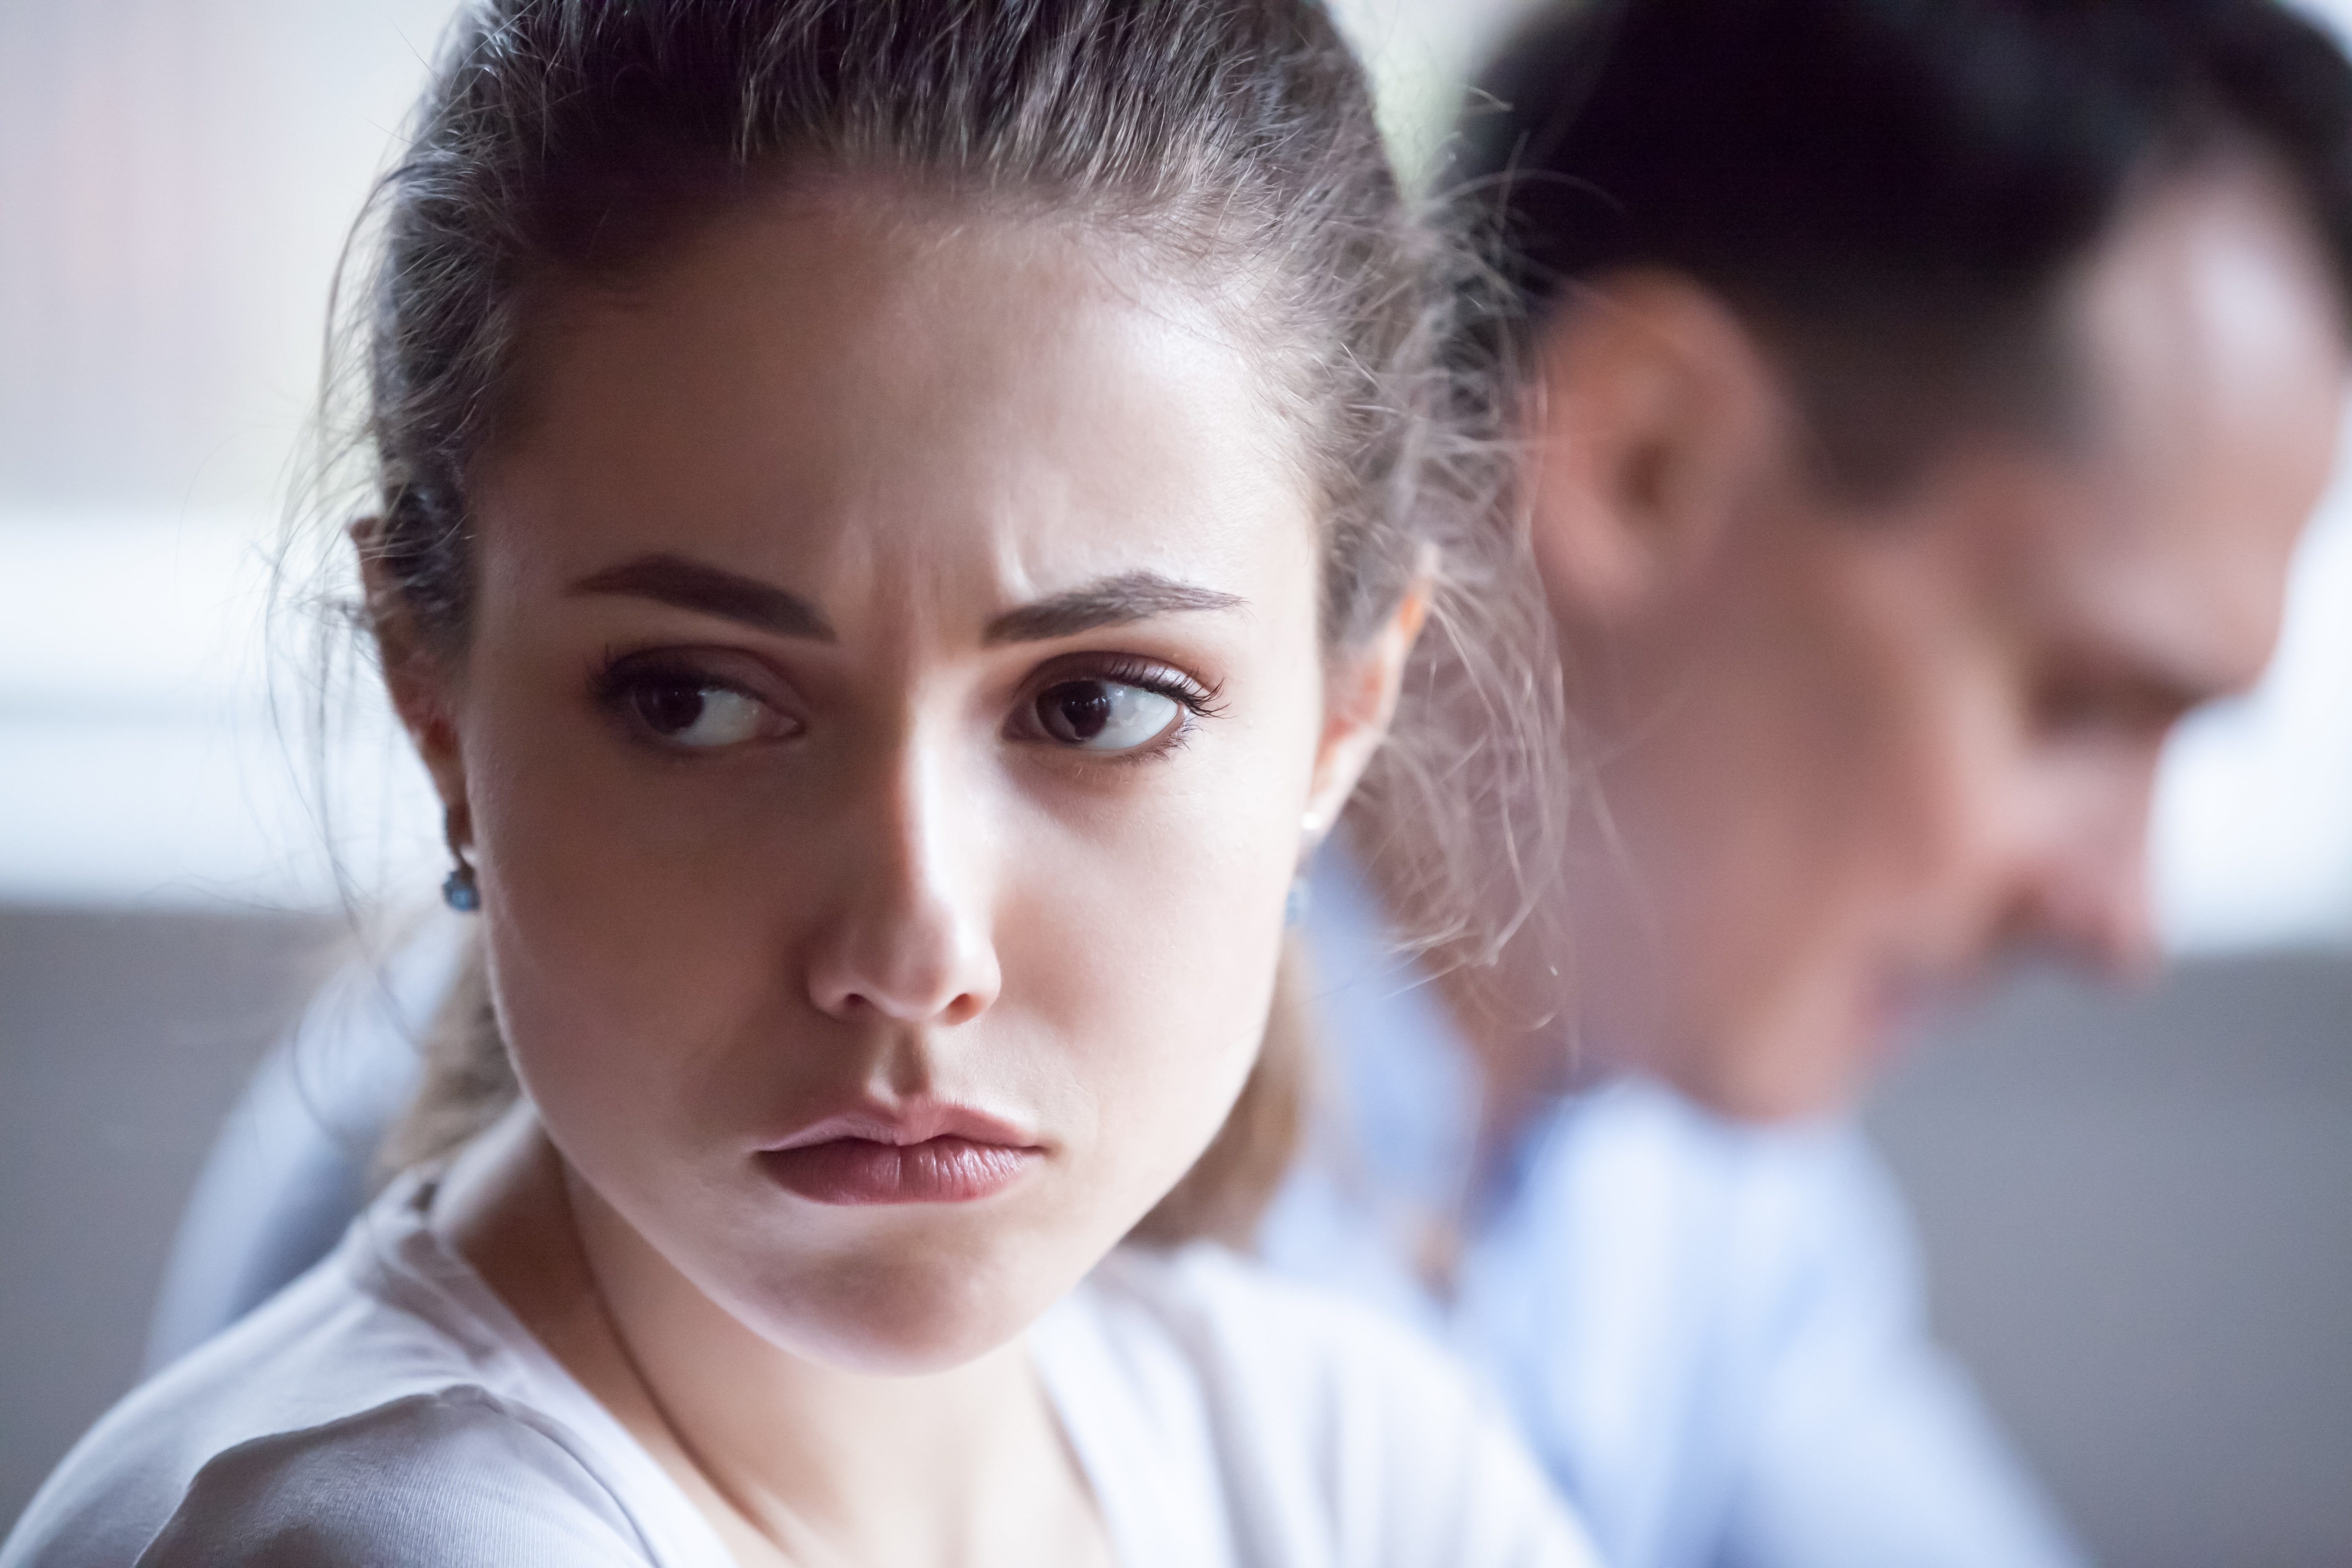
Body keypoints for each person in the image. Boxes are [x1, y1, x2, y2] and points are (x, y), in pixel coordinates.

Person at [4, 3, 1599, 1564]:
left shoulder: (1354, 1468)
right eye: (693, 703)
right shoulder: (380, 1541)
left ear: (1345, 718)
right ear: (434, 696)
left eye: (1097, 706)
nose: (913, 948)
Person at [1264, 2, 2352, 1567]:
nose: (2122, 925)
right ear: (1652, 461)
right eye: (2081, 708)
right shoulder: (1028, 1165)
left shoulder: (1709, 1194)